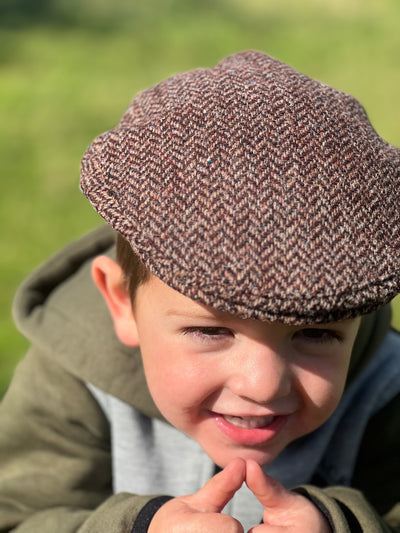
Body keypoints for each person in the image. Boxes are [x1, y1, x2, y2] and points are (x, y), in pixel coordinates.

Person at [0, 50, 399, 533]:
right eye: (211, 331)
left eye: (316, 333)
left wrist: (343, 526)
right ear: (121, 302)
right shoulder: (73, 378)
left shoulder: (385, 386)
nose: (263, 384)